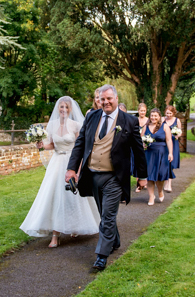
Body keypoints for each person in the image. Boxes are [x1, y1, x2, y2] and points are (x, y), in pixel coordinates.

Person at [65, 85, 148, 272]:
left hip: (115, 177)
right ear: (98, 100)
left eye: (109, 98)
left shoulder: (129, 121)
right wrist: (71, 169)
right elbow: (80, 144)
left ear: (116, 98)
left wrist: (142, 176)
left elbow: (138, 150)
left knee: (108, 216)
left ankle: (102, 256)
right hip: (93, 175)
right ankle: (115, 240)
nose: (106, 102)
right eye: (102, 99)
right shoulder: (91, 117)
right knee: (104, 213)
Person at [20, 96, 100, 247]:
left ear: (70, 110)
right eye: (61, 107)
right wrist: (41, 145)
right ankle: (55, 236)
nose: (63, 110)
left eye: (66, 107)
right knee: (55, 196)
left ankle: (75, 226)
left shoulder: (76, 125)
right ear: (58, 109)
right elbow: (51, 144)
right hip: (56, 164)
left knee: (74, 196)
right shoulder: (52, 125)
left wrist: (79, 169)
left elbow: (80, 147)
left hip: (71, 162)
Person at [142, 108, 174, 206]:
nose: (153, 118)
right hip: (149, 154)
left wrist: (170, 153)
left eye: (155, 116)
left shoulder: (165, 127)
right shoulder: (146, 127)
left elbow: (168, 140)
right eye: (152, 115)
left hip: (162, 153)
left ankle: (160, 191)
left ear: (159, 116)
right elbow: (141, 139)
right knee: (150, 176)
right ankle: (151, 196)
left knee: (160, 176)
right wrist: (143, 144)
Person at [163, 105, 182, 193]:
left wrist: (177, 135)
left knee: (171, 163)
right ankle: (166, 182)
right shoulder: (163, 120)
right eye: (167, 113)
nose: (169, 115)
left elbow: (180, 131)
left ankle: (168, 183)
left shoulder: (177, 120)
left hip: (173, 143)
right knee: (165, 163)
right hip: (164, 144)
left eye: (170, 113)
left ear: (173, 113)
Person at [135, 103, 149, 193]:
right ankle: (138, 184)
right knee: (137, 163)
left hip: (146, 144)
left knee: (145, 163)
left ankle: (145, 181)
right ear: (138, 111)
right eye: (141, 111)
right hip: (137, 144)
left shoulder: (148, 120)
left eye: (144, 111)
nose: (142, 112)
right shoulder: (135, 120)